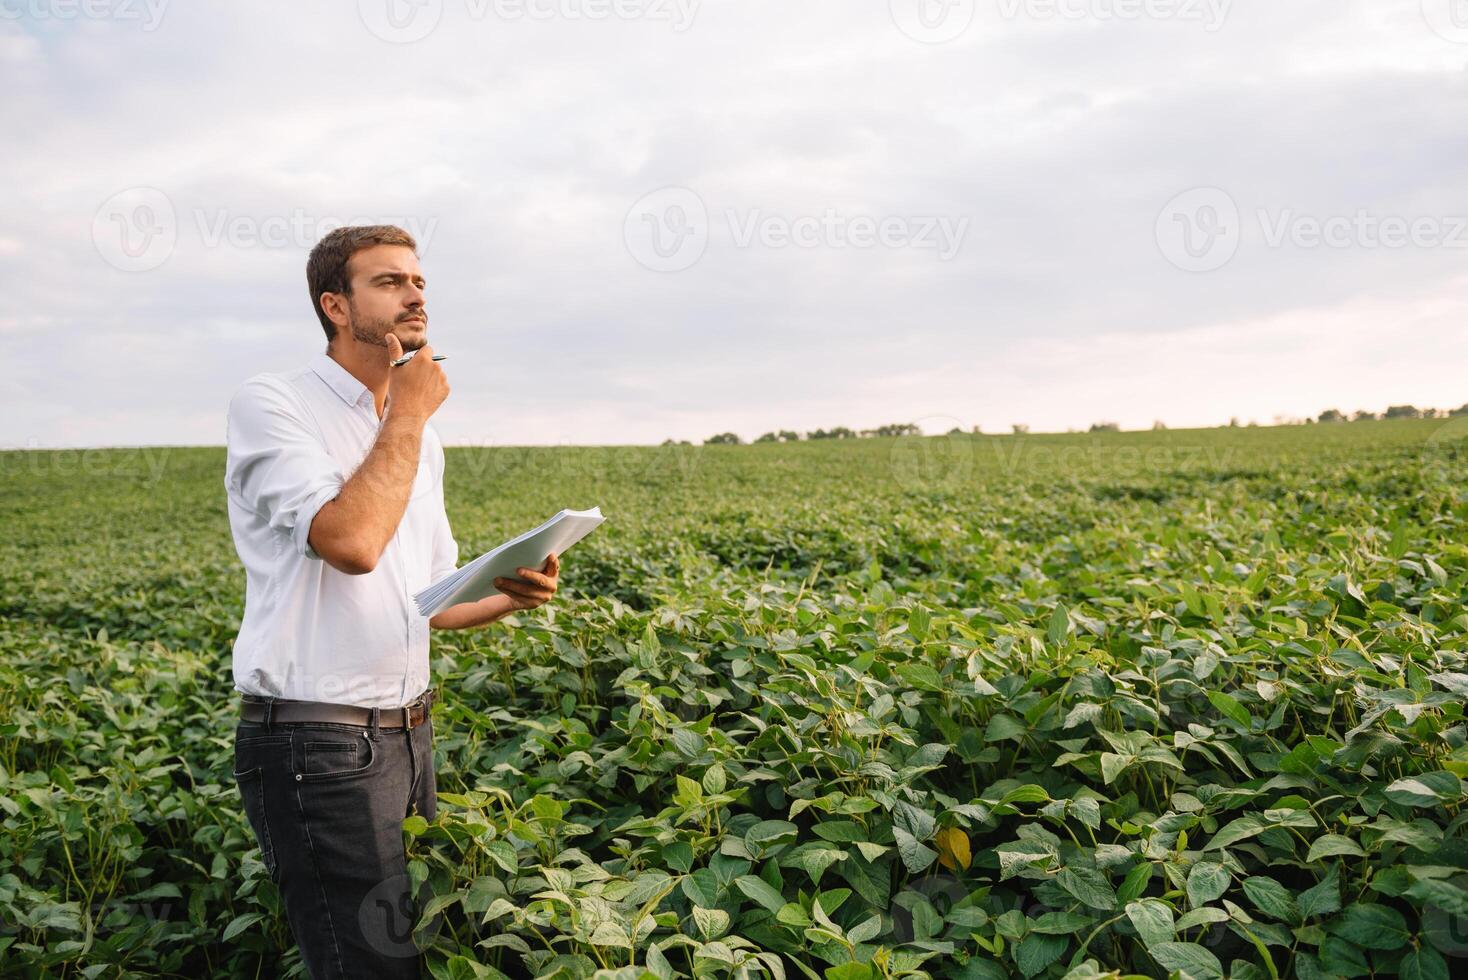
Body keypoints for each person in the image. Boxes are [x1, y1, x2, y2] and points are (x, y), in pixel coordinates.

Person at [223, 224, 560, 978]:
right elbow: (350, 544)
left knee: (414, 955)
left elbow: (428, 603)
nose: (415, 296)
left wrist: (512, 595)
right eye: (389, 282)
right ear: (335, 306)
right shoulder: (274, 404)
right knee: (369, 968)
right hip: (319, 744)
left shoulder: (417, 440)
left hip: (409, 733)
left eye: (419, 282)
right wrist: (406, 414)